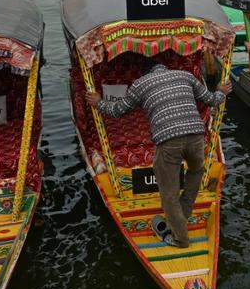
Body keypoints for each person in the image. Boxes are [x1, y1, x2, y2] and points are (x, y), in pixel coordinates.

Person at [85, 62, 230, 248]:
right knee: (195, 173)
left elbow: (117, 111)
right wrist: (221, 91)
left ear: (146, 72)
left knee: (169, 194)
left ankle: (180, 239)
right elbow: (212, 99)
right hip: (196, 138)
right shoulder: (184, 75)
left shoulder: (140, 84)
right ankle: (181, 216)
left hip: (169, 141)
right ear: (165, 69)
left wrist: (98, 102)